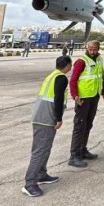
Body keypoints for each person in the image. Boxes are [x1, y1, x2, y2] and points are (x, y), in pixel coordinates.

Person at [22, 55, 72, 197]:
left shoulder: (52, 75)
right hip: (46, 117)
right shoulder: (61, 78)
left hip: (41, 115)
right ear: (68, 66)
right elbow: (58, 98)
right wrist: (59, 118)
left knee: (45, 148)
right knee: (40, 150)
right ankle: (30, 183)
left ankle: (41, 174)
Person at [67, 40, 104, 167]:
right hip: (83, 98)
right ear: (87, 48)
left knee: (88, 124)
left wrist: (103, 92)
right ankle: (74, 156)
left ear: (98, 48)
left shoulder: (99, 59)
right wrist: (75, 95)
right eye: (90, 49)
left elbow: (100, 77)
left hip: (94, 96)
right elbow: (73, 80)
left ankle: (82, 149)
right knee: (79, 126)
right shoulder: (81, 61)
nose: (92, 51)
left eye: (95, 49)